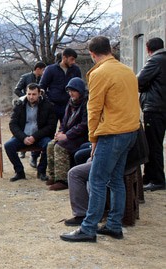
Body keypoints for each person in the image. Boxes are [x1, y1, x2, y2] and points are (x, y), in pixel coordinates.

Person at [60, 36, 140, 243]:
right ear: (110, 50)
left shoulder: (99, 73)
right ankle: (114, 225)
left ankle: (88, 228)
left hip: (112, 133)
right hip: (130, 132)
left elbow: (93, 109)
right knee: (115, 180)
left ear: (93, 55)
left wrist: (93, 138)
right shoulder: (127, 70)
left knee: (97, 180)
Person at [4, 83, 57, 182]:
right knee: (8, 146)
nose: (31, 97)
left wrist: (35, 137)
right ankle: (19, 172)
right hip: (23, 136)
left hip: (40, 137)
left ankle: (41, 171)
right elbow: (13, 124)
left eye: (34, 94)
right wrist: (23, 137)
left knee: (50, 144)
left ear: (39, 94)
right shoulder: (19, 105)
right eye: (29, 94)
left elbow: (51, 126)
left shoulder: (48, 106)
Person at [46, 77, 88, 191]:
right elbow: (64, 121)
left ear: (79, 91)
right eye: (69, 91)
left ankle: (62, 180)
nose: (71, 94)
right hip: (70, 134)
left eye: (73, 91)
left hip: (81, 137)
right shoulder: (70, 103)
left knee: (60, 147)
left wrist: (67, 135)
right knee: (50, 145)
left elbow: (84, 125)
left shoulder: (86, 103)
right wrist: (60, 131)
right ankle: (53, 175)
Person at [137, 37, 166, 191]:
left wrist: (143, 87)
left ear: (148, 49)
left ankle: (157, 179)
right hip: (160, 107)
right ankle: (149, 177)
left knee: (152, 145)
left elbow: (139, 81)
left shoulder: (155, 61)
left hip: (154, 108)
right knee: (154, 144)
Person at [14, 61, 46, 161]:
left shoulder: (42, 79)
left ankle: (34, 156)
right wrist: (25, 98)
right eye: (43, 70)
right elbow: (17, 89)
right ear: (38, 69)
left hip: (38, 106)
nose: (44, 72)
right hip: (26, 106)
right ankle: (23, 149)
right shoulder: (25, 77)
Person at [39, 48, 82, 123]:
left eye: (74, 60)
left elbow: (79, 87)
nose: (73, 62)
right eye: (71, 59)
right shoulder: (50, 69)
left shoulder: (76, 70)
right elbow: (42, 87)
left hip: (70, 106)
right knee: (49, 130)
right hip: (53, 106)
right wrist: (47, 102)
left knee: (68, 131)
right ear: (64, 58)